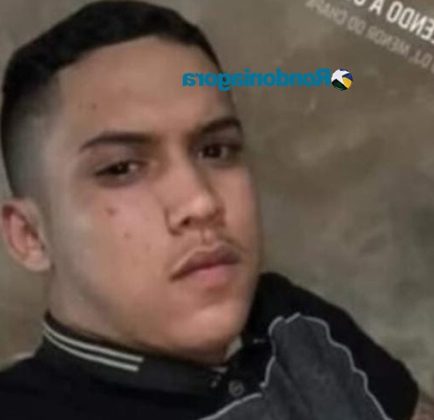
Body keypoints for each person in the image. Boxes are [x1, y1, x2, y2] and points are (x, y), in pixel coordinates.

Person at [0, 1, 432, 419]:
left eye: (215, 150)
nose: (202, 201)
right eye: (121, 168)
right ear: (30, 236)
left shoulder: (292, 320)